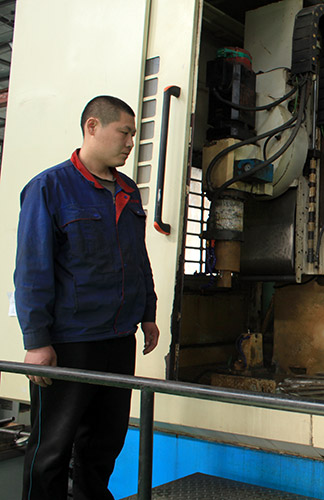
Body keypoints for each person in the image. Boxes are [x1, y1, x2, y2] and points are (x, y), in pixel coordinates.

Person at [14, 95, 159, 500]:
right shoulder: (49, 187)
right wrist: (37, 342)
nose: (130, 143)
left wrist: (148, 312)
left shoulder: (127, 190)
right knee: (52, 449)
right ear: (92, 127)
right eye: (124, 132)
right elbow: (32, 269)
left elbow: (138, 257)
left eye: (133, 135)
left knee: (104, 443)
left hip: (118, 339)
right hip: (70, 342)